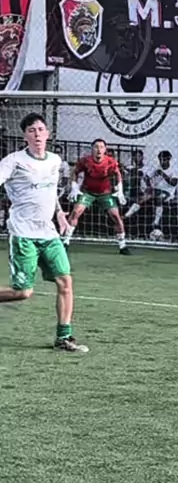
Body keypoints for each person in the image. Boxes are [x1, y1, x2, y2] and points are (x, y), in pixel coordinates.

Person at [0, 113, 88, 352]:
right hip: (23, 234)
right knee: (22, 292)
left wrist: (59, 213)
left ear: (47, 133)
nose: (37, 134)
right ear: (25, 136)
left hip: (49, 234)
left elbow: (50, 192)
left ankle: (64, 337)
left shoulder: (55, 161)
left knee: (65, 282)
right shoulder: (13, 161)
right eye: (31, 130)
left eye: (40, 129)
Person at [63, 139, 129, 254]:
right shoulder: (85, 161)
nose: (99, 150)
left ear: (105, 149)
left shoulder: (110, 161)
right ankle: (65, 241)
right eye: (96, 147)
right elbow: (75, 172)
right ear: (92, 149)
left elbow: (118, 173)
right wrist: (74, 187)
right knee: (76, 212)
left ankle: (123, 246)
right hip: (87, 192)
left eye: (101, 147)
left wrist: (120, 189)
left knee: (116, 216)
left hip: (105, 193)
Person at [124, 150, 178, 237]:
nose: (162, 162)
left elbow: (174, 183)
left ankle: (156, 222)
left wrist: (162, 174)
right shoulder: (156, 168)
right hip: (155, 190)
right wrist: (149, 186)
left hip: (168, 192)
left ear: (169, 159)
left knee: (159, 197)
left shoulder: (174, 169)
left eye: (164, 159)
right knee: (142, 198)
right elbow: (146, 177)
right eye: (160, 159)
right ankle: (126, 216)